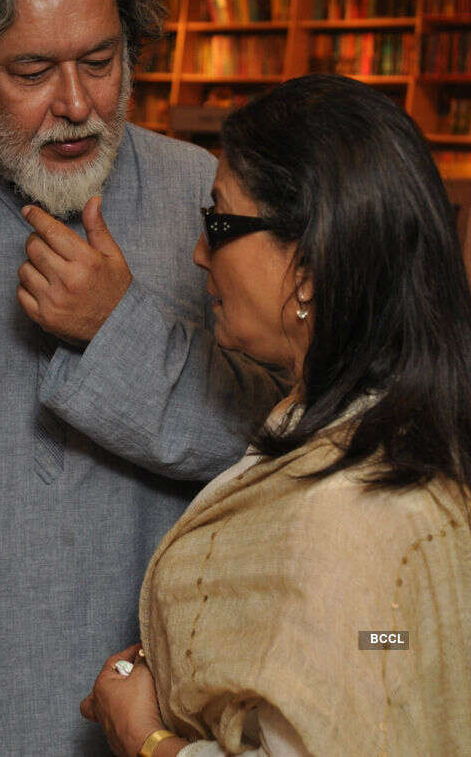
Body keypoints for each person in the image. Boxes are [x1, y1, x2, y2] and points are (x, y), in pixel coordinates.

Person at [0, 0, 282, 754]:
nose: (77, 103)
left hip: (159, 718)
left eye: (100, 60)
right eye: (31, 71)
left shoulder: (204, 197)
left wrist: (118, 327)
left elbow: (276, 448)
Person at [83, 74, 471, 756]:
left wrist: (142, 734)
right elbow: (382, 641)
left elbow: (368, 639)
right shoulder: (376, 426)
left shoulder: (357, 508)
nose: (201, 252)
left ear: (311, 269)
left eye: (221, 222)